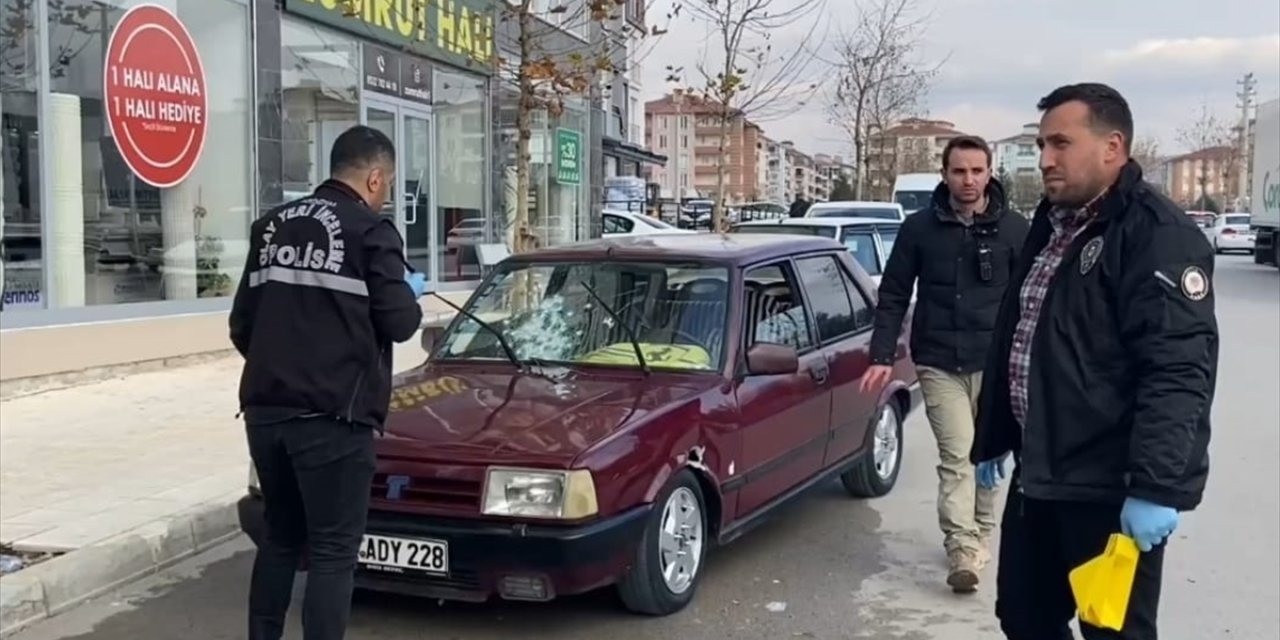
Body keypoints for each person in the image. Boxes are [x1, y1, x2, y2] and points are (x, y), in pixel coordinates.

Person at [971, 83, 1218, 640]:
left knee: (1111, 631)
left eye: (1060, 142)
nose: (1045, 159)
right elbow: (1026, 336)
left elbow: (1179, 370)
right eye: (1041, 144)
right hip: (1041, 475)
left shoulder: (1158, 236)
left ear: (1113, 146)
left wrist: (1155, 488)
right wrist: (995, 433)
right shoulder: (1054, 224)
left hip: (1107, 489)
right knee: (1025, 618)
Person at [229, 125, 426, 640]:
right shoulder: (370, 231)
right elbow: (401, 323)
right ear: (376, 177)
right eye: (386, 184)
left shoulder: (270, 226)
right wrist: (409, 289)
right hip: (333, 418)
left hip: (266, 413)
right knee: (334, 552)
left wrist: (284, 367)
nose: (384, 194)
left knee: (280, 539)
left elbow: (241, 326)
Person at [861, 135, 1030, 593]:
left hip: (996, 365)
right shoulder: (919, 229)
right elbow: (893, 293)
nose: (969, 180)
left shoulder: (1015, 230)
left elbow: (1032, 302)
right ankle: (961, 547)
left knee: (989, 453)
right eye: (959, 171)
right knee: (958, 455)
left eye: (977, 170)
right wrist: (881, 355)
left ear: (990, 173)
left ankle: (980, 531)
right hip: (938, 362)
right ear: (945, 175)